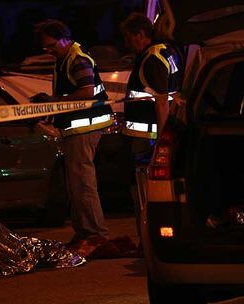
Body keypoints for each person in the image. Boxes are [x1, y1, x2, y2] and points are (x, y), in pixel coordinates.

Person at [31, 19, 114, 258]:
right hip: (76, 128)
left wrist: (53, 101)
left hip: (84, 128)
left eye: (51, 45)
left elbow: (86, 93)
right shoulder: (64, 59)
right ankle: (84, 233)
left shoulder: (77, 60)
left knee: (83, 184)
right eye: (45, 47)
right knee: (76, 184)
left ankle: (96, 235)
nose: (49, 51)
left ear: (65, 38)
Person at [119, 12, 184, 242]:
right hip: (155, 136)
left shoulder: (151, 58)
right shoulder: (168, 51)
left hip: (148, 139)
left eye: (129, 38)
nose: (127, 43)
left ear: (140, 35)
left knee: (145, 192)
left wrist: (163, 139)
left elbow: (160, 101)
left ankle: (147, 241)